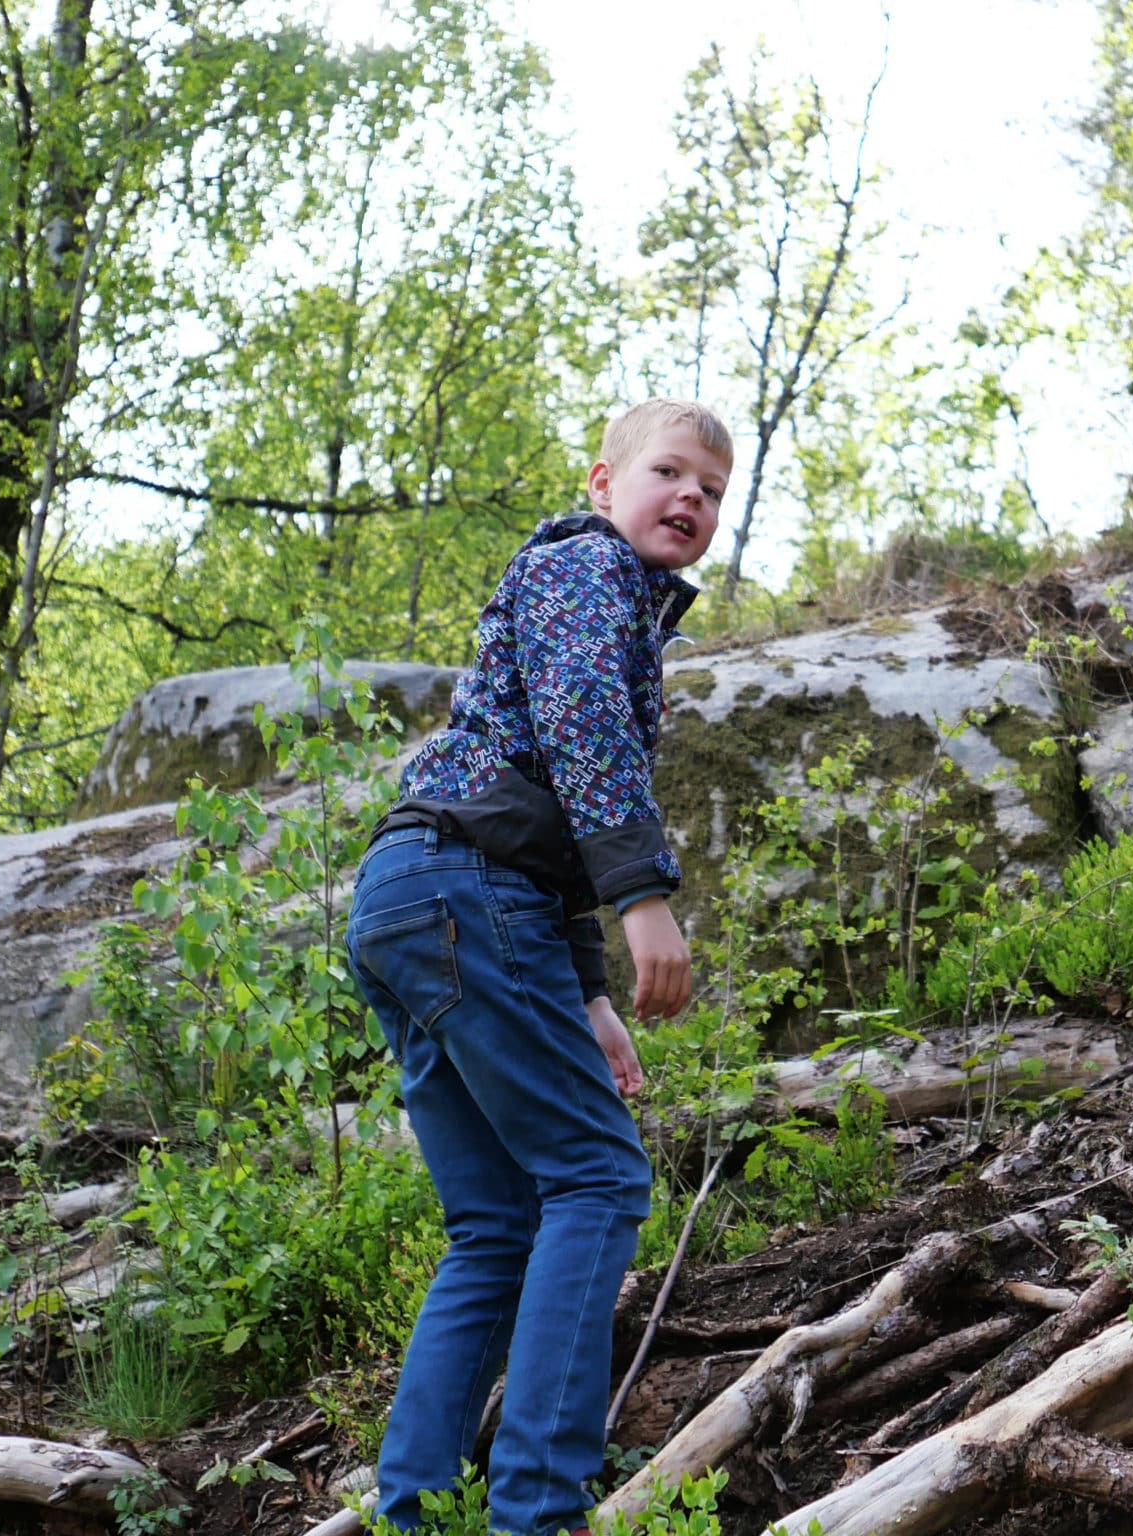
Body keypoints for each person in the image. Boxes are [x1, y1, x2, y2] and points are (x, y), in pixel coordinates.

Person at [345, 398, 733, 1536]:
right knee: (600, 1178)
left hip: (416, 898)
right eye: (668, 472)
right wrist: (643, 901)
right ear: (603, 482)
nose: (690, 501)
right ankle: (537, 1513)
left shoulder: (599, 591)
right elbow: (579, 729)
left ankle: (409, 1512)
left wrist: (590, 996)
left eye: (711, 491)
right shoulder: (582, 567)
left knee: (499, 1224)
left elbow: (539, 810)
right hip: (463, 893)